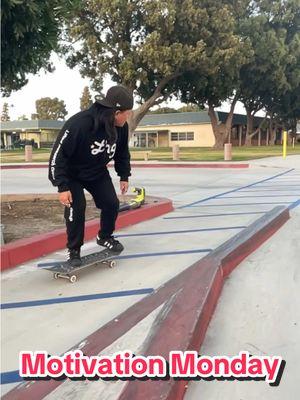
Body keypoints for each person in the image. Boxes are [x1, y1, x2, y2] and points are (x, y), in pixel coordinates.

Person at [48, 85, 133, 266]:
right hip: (73, 174)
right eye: (127, 113)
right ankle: (74, 251)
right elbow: (58, 155)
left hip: (97, 171)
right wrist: (62, 186)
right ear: (116, 112)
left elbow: (122, 151)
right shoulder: (80, 123)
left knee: (111, 203)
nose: (128, 117)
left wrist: (124, 175)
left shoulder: (121, 127)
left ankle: (104, 237)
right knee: (77, 208)